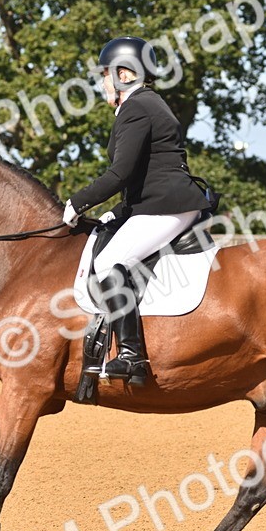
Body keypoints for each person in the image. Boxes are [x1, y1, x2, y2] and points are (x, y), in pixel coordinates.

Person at [62, 37, 211, 385]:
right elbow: (146, 173)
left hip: (168, 206)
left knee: (109, 263)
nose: (101, 84)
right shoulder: (148, 103)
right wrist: (119, 211)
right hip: (162, 201)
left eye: (105, 75)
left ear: (125, 74)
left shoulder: (137, 107)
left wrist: (77, 202)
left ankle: (132, 357)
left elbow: (121, 173)